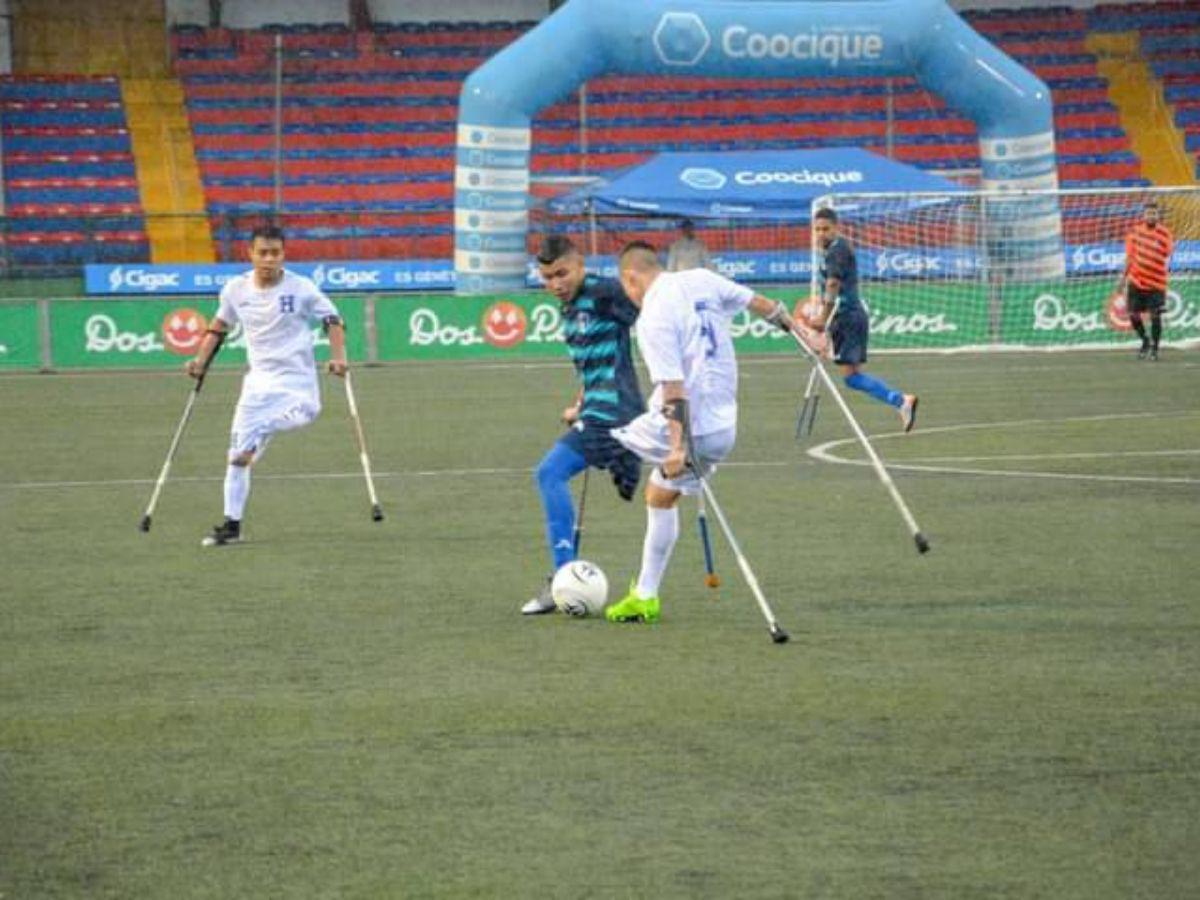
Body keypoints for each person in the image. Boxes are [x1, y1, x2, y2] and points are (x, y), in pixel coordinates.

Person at [604, 241, 798, 624]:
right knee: (660, 496)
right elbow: (760, 304)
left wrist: (676, 447)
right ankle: (645, 596)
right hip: (725, 427)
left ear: (631, 278)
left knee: (598, 436)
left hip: (688, 428)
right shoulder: (703, 279)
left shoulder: (653, 317)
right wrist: (795, 328)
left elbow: (674, 390)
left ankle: (593, 451)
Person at [185, 224, 347, 546]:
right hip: (257, 385)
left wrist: (338, 356)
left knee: (307, 413)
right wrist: (200, 361)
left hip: (297, 382)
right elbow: (219, 326)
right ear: (251, 254)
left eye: (275, 253)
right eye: (263, 253)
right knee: (236, 459)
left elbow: (333, 319)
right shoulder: (235, 290)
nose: (269, 259)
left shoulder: (301, 288)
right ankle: (231, 526)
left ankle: (259, 435)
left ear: (283, 255)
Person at [522, 235, 646, 614]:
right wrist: (580, 402)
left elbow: (649, 310)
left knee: (549, 474)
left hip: (614, 413)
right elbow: (594, 365)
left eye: (562, 273)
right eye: (547, 277)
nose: (555, 283)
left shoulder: (605, 292)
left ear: (580, 265)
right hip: (598, 409)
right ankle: (625, 458)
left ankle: (562, 578)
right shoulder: (569, 308)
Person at [801, 207, 918, 432]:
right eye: (817, 230)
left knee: (852, 377)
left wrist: (822, 319)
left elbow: (833, 284)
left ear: (836, 228)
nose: (821, 233)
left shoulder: (837, 250)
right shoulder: (832, 251)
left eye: (826, 229)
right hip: (845, 317)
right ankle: (901, 401)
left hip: (848, 317)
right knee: (852, 376)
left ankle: (902, 401)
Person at [1116, 199, 1174, 361]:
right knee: (1133, 315)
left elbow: (1168, 255)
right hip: (1136, 281)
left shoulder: (1165, 234)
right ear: (1143, 215)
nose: (1151, 216)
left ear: (1158, 216)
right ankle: (1145, 341)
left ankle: (1155, 348)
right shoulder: (1134, 233)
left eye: (1154, 213)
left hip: (1156, 283)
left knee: (1156, 316)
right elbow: (1129, 258)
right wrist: (1122, 279)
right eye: (1148, 213)